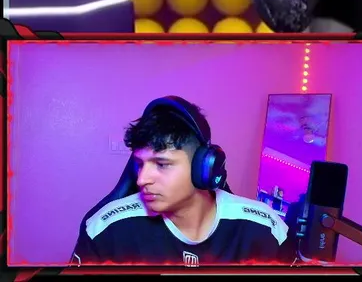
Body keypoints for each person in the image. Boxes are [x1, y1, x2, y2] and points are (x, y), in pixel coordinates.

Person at [71, 97, 289, 265]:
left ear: (203, 168)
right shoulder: (104, 231)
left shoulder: (268, 230)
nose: (142, 179)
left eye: (162, 164)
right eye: (140, 164)